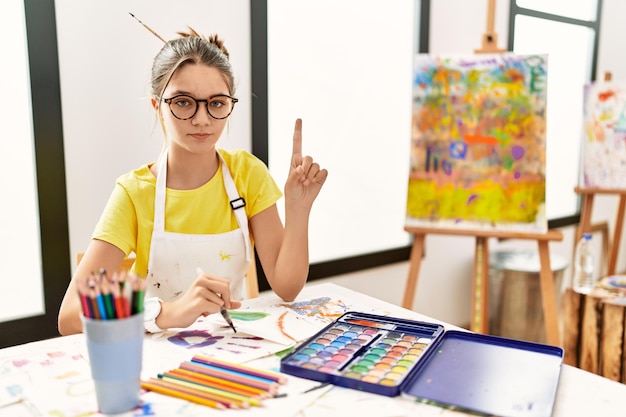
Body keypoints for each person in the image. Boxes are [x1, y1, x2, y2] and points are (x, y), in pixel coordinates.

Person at [57, 28, 327, 336]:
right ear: (158, 106)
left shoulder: (247, 174)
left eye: (216, 102)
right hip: (155, 355)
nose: (202, 119)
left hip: (234, 350)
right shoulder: (133, 194)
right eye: (184, 102)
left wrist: (298, 209)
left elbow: (287, 288)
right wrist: (165, 312)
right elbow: (70, 317)